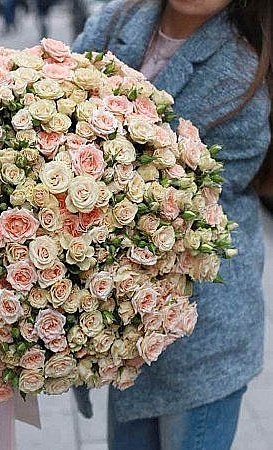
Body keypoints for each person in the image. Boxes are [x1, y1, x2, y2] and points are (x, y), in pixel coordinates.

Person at [72, 1, 272, 449]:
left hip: (200, 330)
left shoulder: (240, 67)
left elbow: (181, 197)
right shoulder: (121, 19)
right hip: (124, 325)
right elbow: (56, 92)